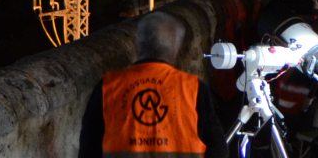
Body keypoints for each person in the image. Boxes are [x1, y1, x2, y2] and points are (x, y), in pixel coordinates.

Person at [79, 12, 225, 158]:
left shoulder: (108, 87)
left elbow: (88, 149)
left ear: (138, 45)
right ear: (175, 51)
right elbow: (219, 149)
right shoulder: (194, 89)